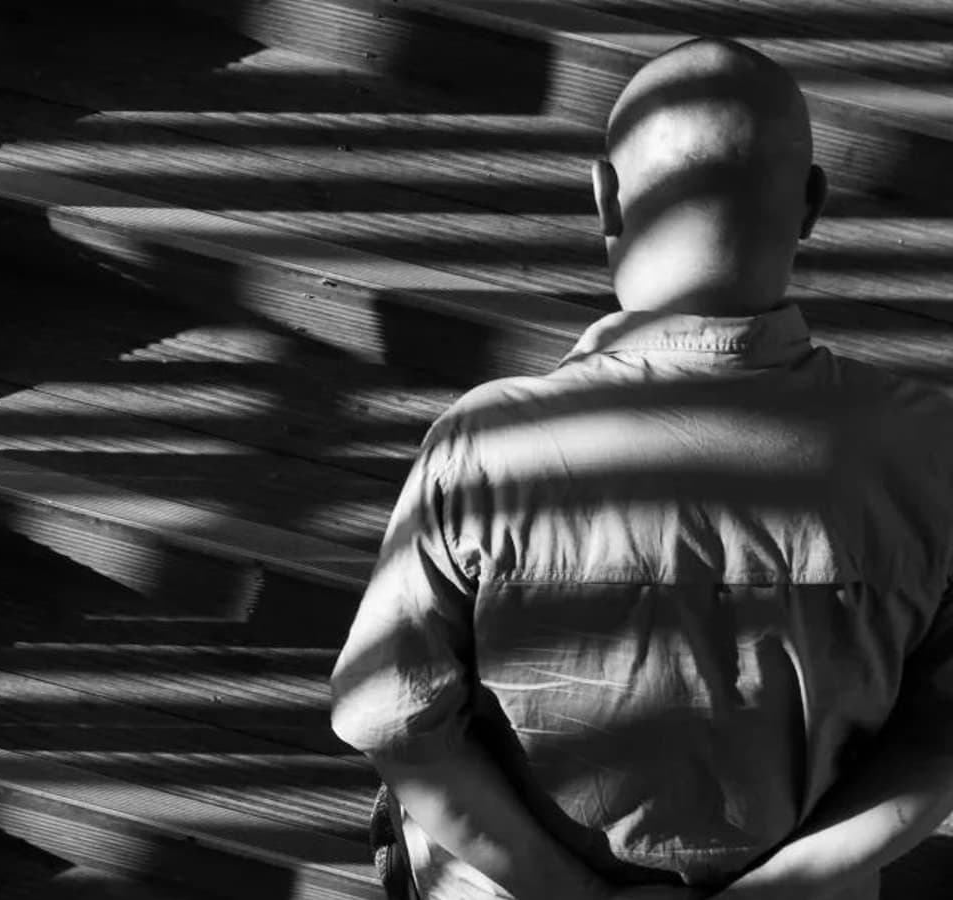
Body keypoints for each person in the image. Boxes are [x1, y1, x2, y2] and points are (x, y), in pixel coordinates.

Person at [330, 38, 953, 900]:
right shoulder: (929, 448)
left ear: (606, 199)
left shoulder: (482, 448)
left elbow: (393, 722)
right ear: (812, 204)